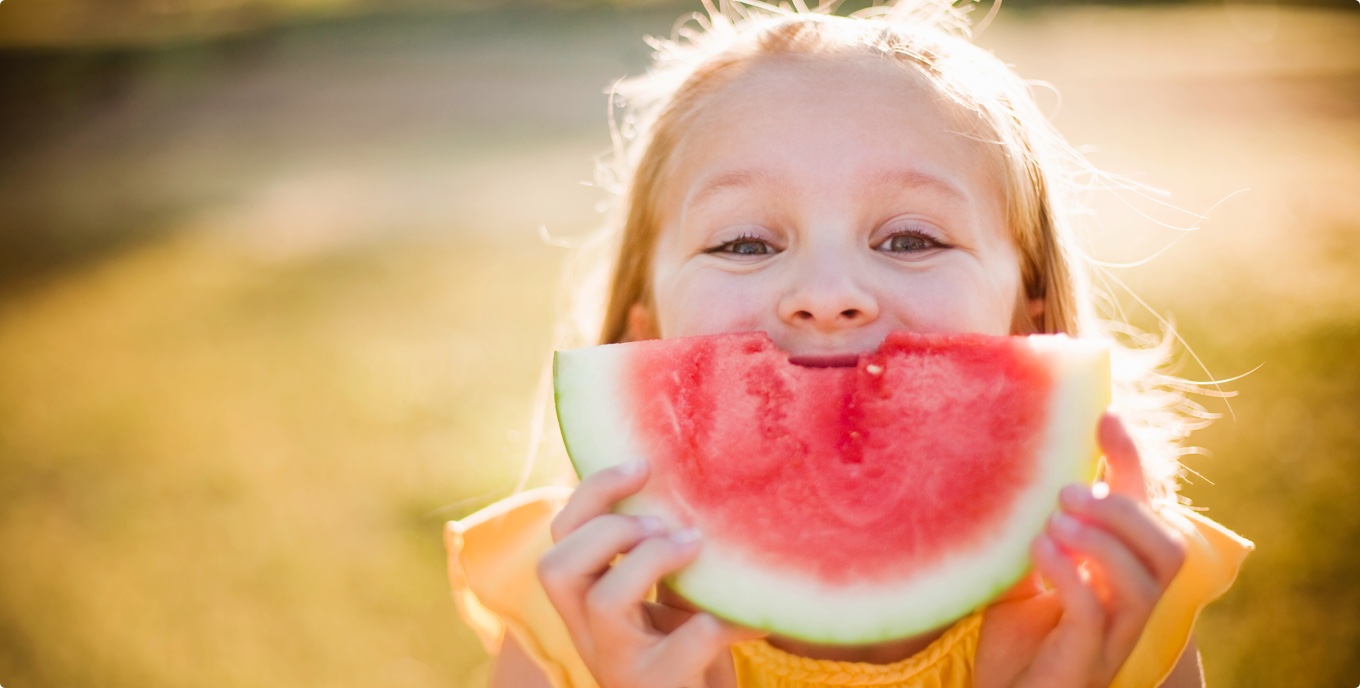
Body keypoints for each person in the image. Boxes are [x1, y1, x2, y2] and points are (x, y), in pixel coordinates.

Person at [445, 2, 1253, 686]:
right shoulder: (571, 616)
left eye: (908, 240)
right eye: (746, 244)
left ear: (1030, 319)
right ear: (644, 327)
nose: (828, 296)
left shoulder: (1113, 605)